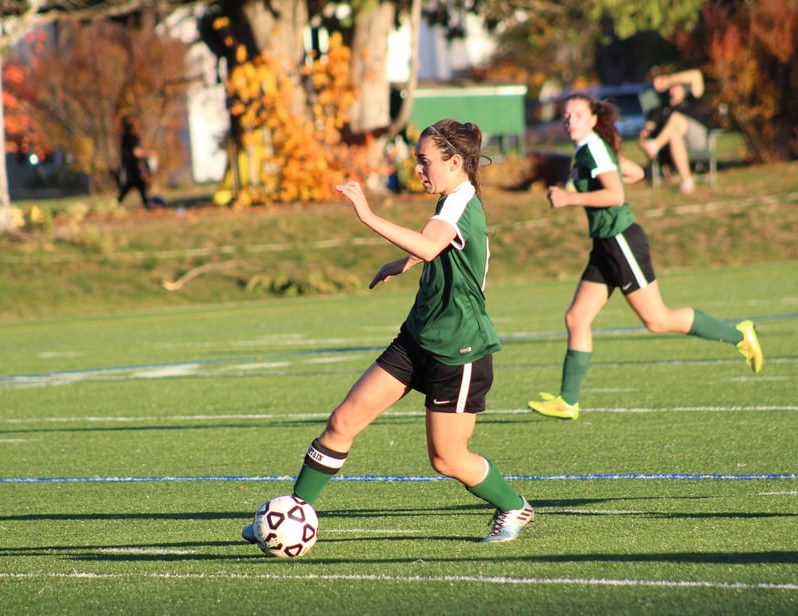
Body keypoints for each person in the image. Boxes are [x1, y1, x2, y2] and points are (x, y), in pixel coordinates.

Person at [242, 119, 534, 545]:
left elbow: (433, 243)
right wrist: (405, 263)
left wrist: (368, 215)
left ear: (454, 162)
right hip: (417, 339)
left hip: (459, 351)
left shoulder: (459, 202)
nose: (416, 168)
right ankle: (291, 513)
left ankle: (513, 505)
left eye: (423, 160)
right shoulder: (451, 199)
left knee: (447, 459)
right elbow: (437, 245)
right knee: (342, 421)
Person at [527, 94, 763, 420]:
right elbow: (636, 173)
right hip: (605, 245)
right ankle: (568, 401)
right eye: (566, 116)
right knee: (576, 318)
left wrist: (570, 198)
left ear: (593, 119)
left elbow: (616, 193)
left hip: (621, 240)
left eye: (578, 115)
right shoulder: (591, 147)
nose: (570, 121)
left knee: (657, 320)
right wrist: (596, 175)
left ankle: (740, 335)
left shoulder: (594, 147)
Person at [638, 69, 710, 194]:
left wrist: (669, 80)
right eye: (671, 87)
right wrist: (645, 134)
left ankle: (655, 146)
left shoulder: (691, 100)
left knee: (676, 118)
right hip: (674, 144)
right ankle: (687, 180)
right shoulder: (661, 109)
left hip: (696, 139)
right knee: (674, 136)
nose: (673, 89)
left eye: (676, 87)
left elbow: (696, 75)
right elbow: (648, 129)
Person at [117, 115, 155, 208]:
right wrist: (149, 153)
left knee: (138, 184)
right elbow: (136, 152)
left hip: (128, 165)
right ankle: (146, 204)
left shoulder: (124, 137)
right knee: (136, 184)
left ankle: (146, 203)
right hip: (135, 165)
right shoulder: (133, 137)